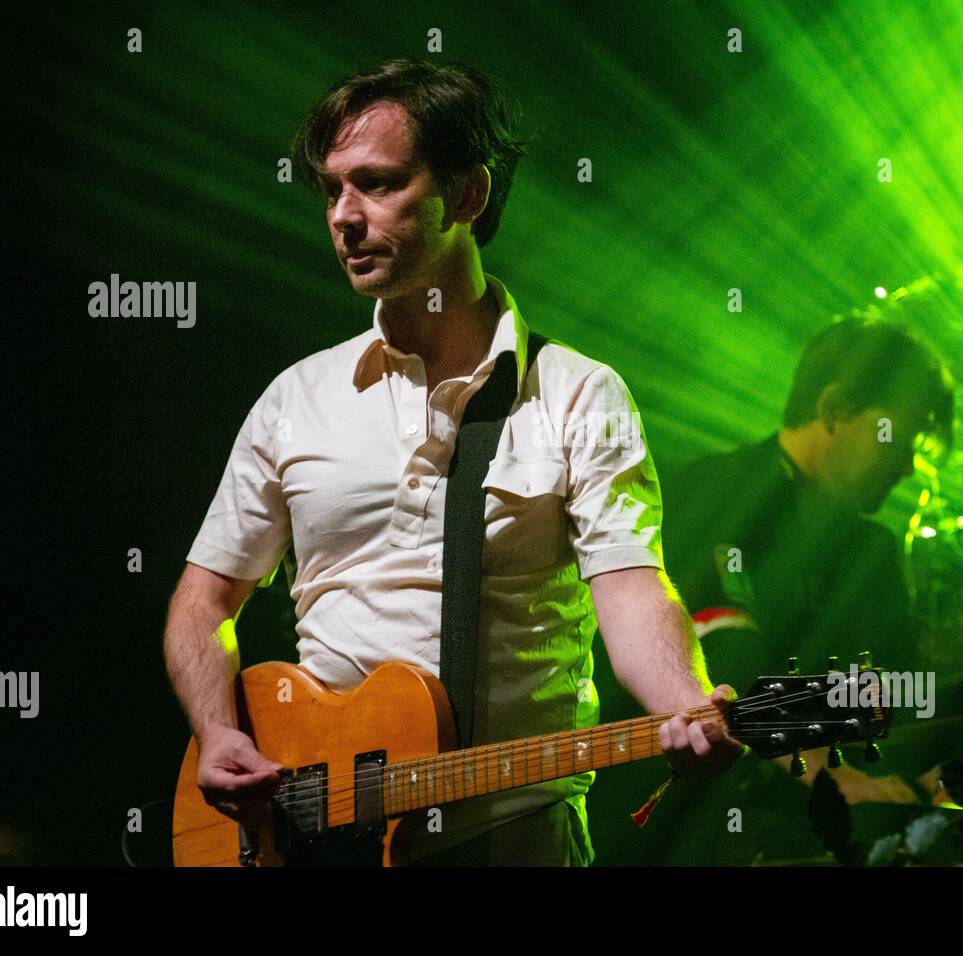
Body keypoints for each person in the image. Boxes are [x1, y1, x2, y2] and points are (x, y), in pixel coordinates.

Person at [161, 58, 741, 867]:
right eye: (332, 190)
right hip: (306, 831)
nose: (344, 217)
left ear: (468, 195)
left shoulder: (577, 394)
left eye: (377, 184)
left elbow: (631, 585)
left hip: (508, 827)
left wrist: (683, 702)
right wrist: (217, 730)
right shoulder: (298, 397)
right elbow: (202, 599)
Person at [591, 316, 954, 865]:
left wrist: (939, 774)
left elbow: (895, 687)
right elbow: (718, 664)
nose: (908, 464)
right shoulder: (716, 493)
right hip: (683, 831)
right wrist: (835, 777)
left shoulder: (872, 550)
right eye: (900, 436)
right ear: (834, 410)